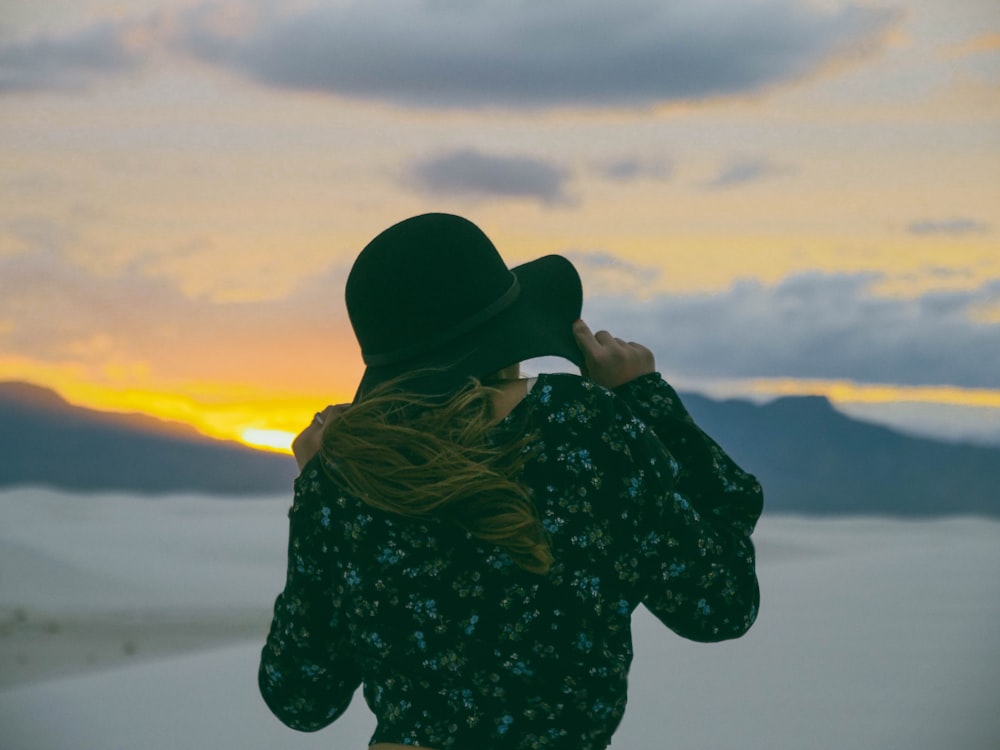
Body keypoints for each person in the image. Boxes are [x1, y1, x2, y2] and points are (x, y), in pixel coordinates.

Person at [259, 213, 763, 750]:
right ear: (509, 328)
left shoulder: (347, 474)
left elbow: (302, 699)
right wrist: (645, 398)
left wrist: (317, 494)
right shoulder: (584, 426)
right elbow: (721, 604)